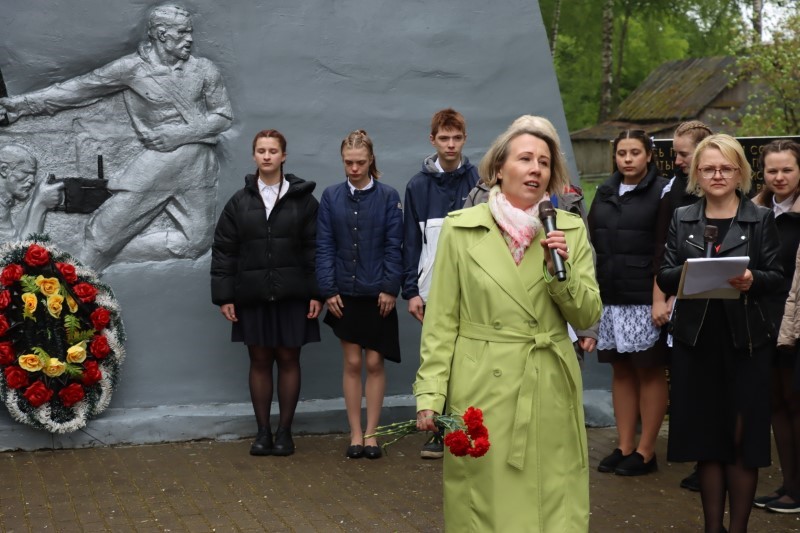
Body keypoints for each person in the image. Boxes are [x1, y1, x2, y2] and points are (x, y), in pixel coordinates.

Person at [414, 117, 601, 531]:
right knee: (484, 500)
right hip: (481, 383)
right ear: (499, 168)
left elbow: (588, 315)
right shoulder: (461, 229)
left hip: (547, 381)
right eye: (526, 159)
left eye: (544, 162)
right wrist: (430, 393)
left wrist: (559, 274)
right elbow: (441, 322)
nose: (536, 169)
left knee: (549, 496)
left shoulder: (568, 229)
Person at [0, 4, 233, 271]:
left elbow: (222, 117)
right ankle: (80, 275)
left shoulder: (204, 70)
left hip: (199, 165)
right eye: (181, 32)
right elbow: (80, 89)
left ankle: (102, 256)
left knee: (196, 242)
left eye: (189, 32)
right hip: (161, 163)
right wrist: (22, 106)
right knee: (105, 232)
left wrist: (179, 134)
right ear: (161, 34)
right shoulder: (132, 68)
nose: (189, 39)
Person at [657, 134, 782, 533]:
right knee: (707, 442)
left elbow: (777, 277)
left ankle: (739, 528)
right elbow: (664, 274)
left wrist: (752, 279)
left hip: (746, 342)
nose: (717, 175)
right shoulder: (683, 216)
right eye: (709, 168)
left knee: (743, 443)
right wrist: (693, 272)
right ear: (696, 173)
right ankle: (713, 528)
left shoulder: (760, 218)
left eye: (726, 168)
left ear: (740, 172)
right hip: (697, 342)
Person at [211, 129, 321, 456]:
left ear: (284, 156)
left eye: (273, 151)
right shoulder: (239, 202)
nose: (267, 156)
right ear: (254, 156)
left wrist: (317, 292)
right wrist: (225, 296)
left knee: (289, 358)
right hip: (253, 296)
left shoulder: (303, 201)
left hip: (293, 296)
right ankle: (262, 433)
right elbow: (225, 251)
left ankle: (285, 432)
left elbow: (316, 249)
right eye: (262, 151)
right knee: (259, 360)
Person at [317, 130, 403, 460]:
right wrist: (328, 290)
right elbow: (324, 245)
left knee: (374, 361)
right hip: (345, 293)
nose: (354, 169)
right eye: (348, 163)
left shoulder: (388, 197)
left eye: (360, 163)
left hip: (378, 293)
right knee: (353, 361)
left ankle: (372, 434)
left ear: (371, 161)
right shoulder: (331, 197)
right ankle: (355, 433)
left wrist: (390, 287)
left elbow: (395, 245)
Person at [589, 129, 669, 476]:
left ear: (648, 155)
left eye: (635, 152)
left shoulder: (662, 191)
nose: (627, 159)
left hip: (644, 297)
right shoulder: (604, 191)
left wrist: (660, 297)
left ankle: (646, 451)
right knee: (620, 370)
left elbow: (664, 247)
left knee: (648, 370)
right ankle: (624, 445)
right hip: (610, 295)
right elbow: (593, 241)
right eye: (622, 153)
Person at [402, 108, 480, 460]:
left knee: (470, 359)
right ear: (432, 140)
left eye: (457, 138)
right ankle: (438, 429)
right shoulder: (417, 186)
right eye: (444, 138)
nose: (451, 144)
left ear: (465, 139)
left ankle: (464, 427)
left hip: (473, 287)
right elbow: (410, 243)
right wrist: (411, 291)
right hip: (432, 288)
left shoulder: (479, 181)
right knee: (438, 357)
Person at [653, 120, 713, 492]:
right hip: (679, 295)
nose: (676, 161)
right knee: (690, 385)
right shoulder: (676, 189)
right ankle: (701, 457)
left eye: (682, 154)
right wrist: (660, 295)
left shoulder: (720, 196)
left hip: (710, 301)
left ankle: (713, 459)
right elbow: (664, 247)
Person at [752, 140, 800, 512]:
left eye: (787, 169)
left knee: (796, 403)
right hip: (763, 320)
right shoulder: (756, 213)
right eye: (772, 170)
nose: (779, 177)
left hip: (796, 323)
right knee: (776, 405)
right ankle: (790, 485)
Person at [0, 143, 64, 239]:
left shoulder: (4, 203)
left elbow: (15, 234)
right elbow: (19, 248)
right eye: (26, 173)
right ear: (4, 170)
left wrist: (36, 198)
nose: (32, 181)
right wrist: (40, 204)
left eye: (33, 175)